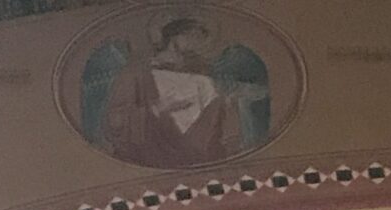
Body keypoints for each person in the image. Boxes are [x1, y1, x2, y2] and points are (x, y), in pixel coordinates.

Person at [85, 14, 272, 163]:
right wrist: (157, 109)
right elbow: (115, 121)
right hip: (150, 153)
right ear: (175, 35)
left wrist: (228, 98)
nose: (197, 43)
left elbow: (212, 108)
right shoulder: (137, 71)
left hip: (200, 153)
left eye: (200, 39)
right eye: (193, 36)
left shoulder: (203, 71)